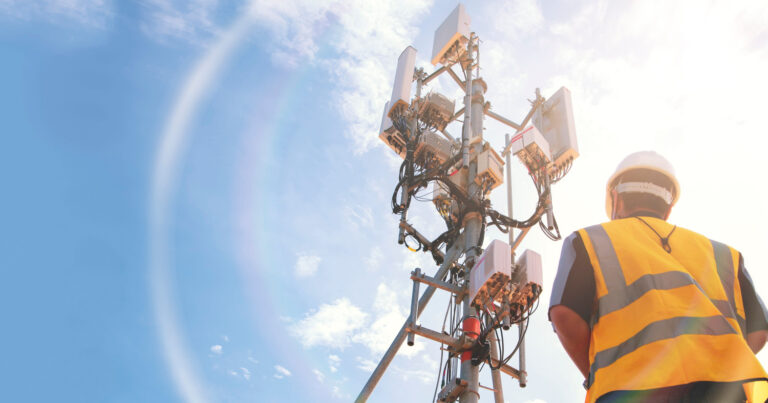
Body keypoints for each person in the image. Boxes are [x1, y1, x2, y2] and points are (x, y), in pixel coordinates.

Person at [548, 151, 768, 403]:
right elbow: (759, 331)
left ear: (616, 198)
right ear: (669, 207)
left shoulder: (590, 240)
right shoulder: (724, 254)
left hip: (632, 389)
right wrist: (720, 366)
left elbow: (565, 314)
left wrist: (597, 375)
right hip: (721, 392)